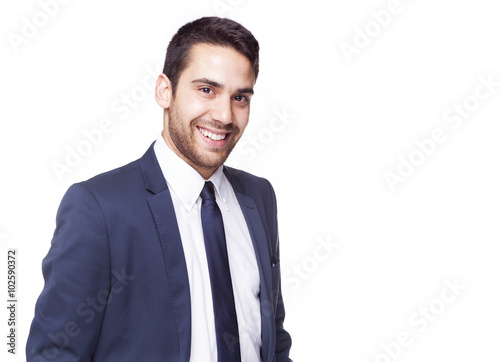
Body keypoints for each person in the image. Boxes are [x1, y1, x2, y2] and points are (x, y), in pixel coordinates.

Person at [26, 16, 292, 362]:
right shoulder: (99, 209)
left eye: (240, 97)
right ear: (165, 91)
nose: (225, 116)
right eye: (206, 90)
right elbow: (54, 353)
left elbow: (273, 337)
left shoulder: (259, 197)